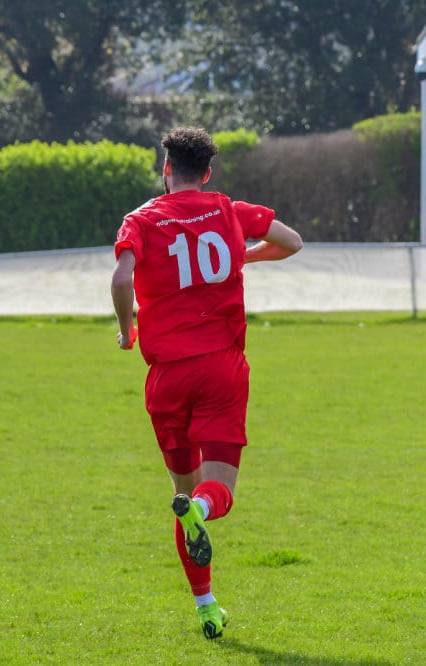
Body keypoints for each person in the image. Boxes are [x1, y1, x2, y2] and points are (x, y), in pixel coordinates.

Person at [110, 126, 303, 640]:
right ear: (208, 172)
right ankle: (201, 509)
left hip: (166, 377)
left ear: (166, 169)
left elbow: (122, 278)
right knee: (216, 495)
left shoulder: (141, 220)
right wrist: (244, 255)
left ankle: (206, 606)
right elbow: (291, 242)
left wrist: (127, 330)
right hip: (221, 368)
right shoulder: (228, 210)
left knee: (182, 490)